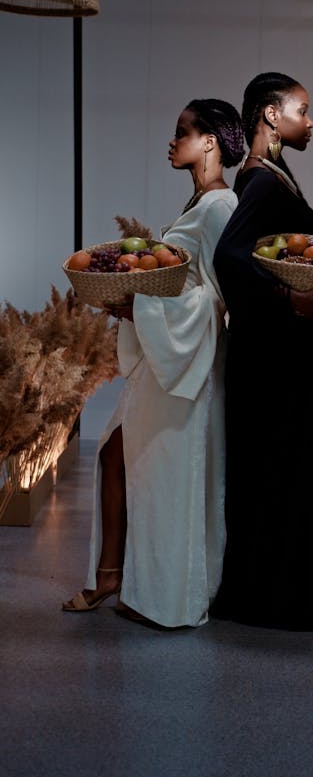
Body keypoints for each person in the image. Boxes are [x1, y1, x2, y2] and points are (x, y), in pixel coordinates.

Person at [63, 98, 245, 628]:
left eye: (182, 131)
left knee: (167, 474)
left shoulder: (220, 207)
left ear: (210, 141)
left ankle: (167, 597)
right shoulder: (195, 206)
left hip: (187, 362)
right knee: (115, 455)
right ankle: (113, 577)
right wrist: (138, 300)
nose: (172, 141)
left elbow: (217, 297)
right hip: (162, 354)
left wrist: (139, 303)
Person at [209, 72, 313, 631]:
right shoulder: (259, 181)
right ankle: (270, 597)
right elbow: (230, 258)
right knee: (281, 463)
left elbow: (274, 251)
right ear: (270, 116)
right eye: (302, 110)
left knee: (307, 459)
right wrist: (291, 301)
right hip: (271, 354)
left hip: (283, 351)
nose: (311, 121)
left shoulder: (273, 174)